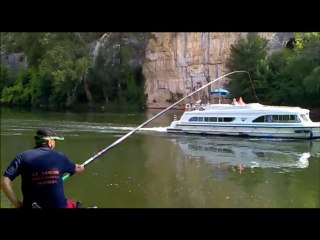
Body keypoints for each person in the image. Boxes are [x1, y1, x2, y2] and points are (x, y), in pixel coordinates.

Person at [1, 127, 85, 208]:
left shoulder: (22, 157)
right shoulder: (60, 157)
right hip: (59, 206)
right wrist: (81, 167)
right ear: (50, 142)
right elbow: (76, 168)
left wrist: (17, 204)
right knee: (72, 204)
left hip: (31, 206)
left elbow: (4, 181)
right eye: (55, 141)